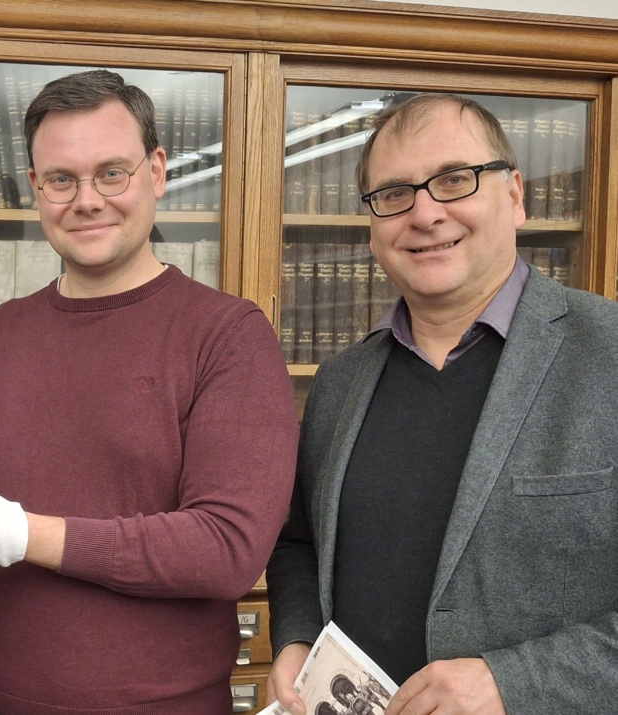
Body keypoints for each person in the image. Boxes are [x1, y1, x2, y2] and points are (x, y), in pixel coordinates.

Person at [0, 69, 299, 714]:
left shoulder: (227, 335)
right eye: (62, 179)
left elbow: (227, 550)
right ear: (36, 189)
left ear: (157, 173)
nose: (87, 200)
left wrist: (26, 536)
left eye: (113, 172)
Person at [265, 92, 618, 715]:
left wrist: (515, 685)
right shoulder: (340, 383)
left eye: (454, 180)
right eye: (394, 194)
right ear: (373, 226)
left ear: (515, 195)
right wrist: (295, 639)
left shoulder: (608, 355)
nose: (425, 214)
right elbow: (299, 545)